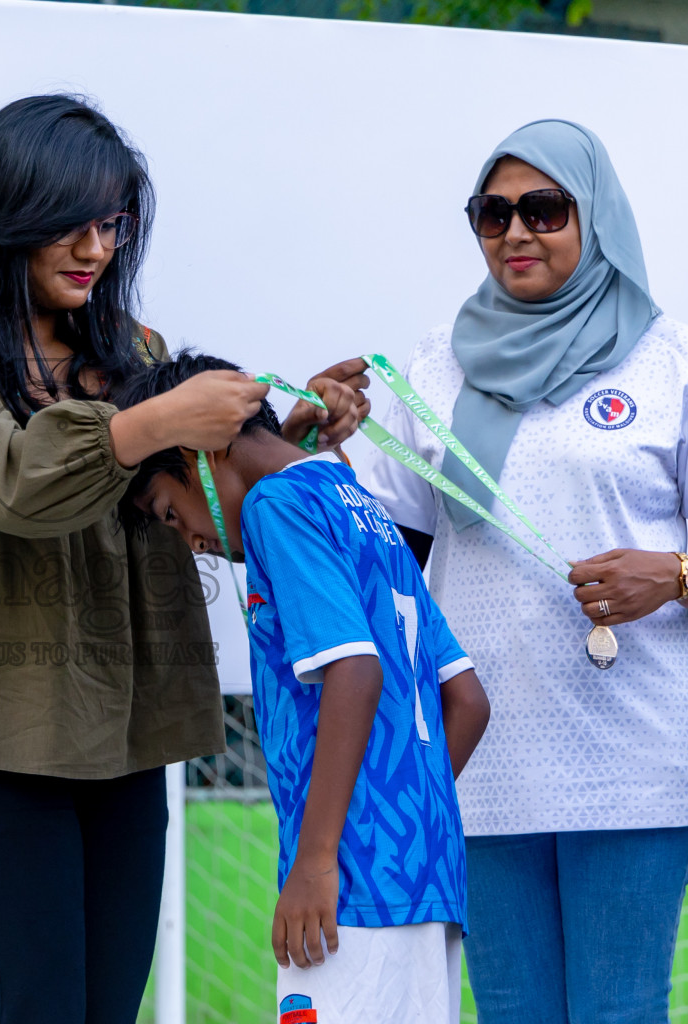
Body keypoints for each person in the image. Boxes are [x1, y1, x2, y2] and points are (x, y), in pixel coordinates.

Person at [0, 95, 364, 1024]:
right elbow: (10, 484)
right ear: (8, 211)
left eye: (112, 224)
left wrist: (275, 448)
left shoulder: (132, 352)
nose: (97, 247)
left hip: (120, 746)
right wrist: (158, 419)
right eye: (73, 223)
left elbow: (183, 500)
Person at [363, 119, 688, 1023]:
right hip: (479, 756)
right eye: (492, 213)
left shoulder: (673, 359)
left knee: (619, 1011)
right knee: (510, 1012)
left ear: (597, 219)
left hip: (632, 758)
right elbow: (390, 566)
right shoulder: (435, 364)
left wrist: (671, 575)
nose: (515, 233)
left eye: (543, 210)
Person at [116, 352, 490, 1024]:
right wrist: (389, 813)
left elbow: (356, 669)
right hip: (424, 877)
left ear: (199, 446)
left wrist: (320, 858)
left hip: (344, 891)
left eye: (169, 513)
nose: (189, 541)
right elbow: (467, 701)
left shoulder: (274, 505)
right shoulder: (357, 503)